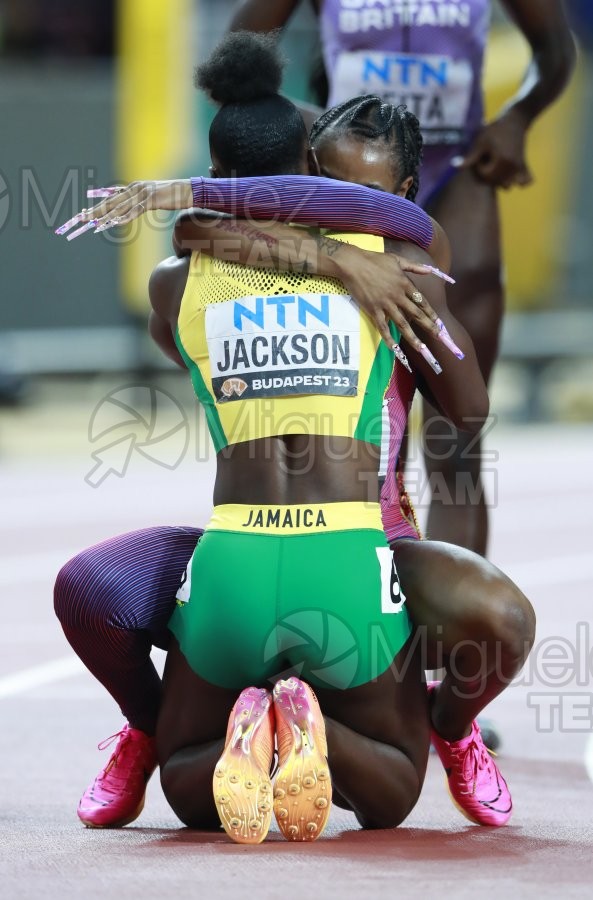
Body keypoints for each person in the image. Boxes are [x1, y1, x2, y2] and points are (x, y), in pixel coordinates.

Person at [55, 34, 534, 833]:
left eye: (363, 197)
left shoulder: (396, 263)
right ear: (302, 176)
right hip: (342, 552)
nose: (345, 210)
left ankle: (444, 734)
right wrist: (341, 265)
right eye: (326, 187)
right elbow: (218, 237)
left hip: (351, 539)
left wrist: (191, 205)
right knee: (388, 789)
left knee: (189, 787)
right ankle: (172, 729)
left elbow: (194, 242)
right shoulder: (389, 262)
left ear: (402, 194)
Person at [228, 0, 576, 556]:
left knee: (457, 442)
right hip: (359, 184)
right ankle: (379, 607)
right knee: (379, 439)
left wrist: (517, 118)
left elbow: (555, 49)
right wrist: (326, 133)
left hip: (460, 173)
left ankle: (451, 632)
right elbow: (237, 60)